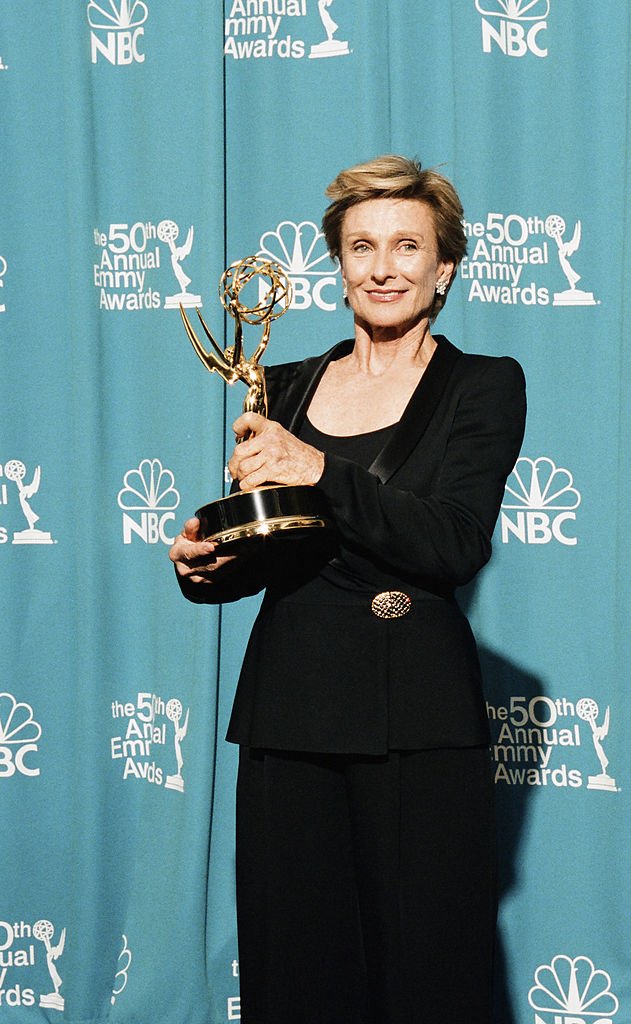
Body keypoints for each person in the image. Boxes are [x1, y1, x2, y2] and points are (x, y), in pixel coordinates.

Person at [170, 154, 526, 1024]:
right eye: (360, 246)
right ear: (335, 266)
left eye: (408, 246)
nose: (382, 266)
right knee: (295, 969)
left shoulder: (484, 385)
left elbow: (450, 542)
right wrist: (207, 564)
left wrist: (320, 471)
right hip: (290, 703)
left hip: (413, 710)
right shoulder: (284, 385)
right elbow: (275, 552)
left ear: (444, 268)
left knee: (425, 967)